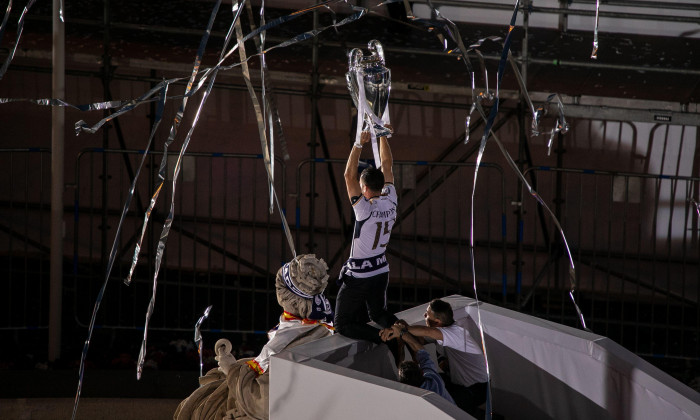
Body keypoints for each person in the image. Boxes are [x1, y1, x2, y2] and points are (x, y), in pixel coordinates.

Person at [175, 254, 334, 420]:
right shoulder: (318, 327)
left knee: (201, 407)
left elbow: (264, 405)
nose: (277, 292)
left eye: (279, 288)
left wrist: (232, 370)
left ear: (290, 300)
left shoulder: (294, 337)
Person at [334, 127, 398, 345]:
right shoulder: (391, 200)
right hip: (381, 270)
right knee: (378, 313)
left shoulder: (365, 209)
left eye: (361, 187)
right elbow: (387, 164)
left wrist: (359, 143)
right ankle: (401, 332)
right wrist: (381, 135)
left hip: (361, 275)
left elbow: (347, 175)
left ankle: (382, 338)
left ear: (365, 188)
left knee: (342, 324)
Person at [380, 298, 488, 416]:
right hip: (458, 384)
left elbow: (427, 332)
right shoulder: (443, 332)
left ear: (437, 322)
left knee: (439, 403)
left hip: (477, 390)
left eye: (427, 315)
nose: (424, 315)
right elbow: (419, 340)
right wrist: (401, 328)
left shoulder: (456, 333)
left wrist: (402, 330)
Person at [391, 323, 456, 405]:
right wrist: (401, 333)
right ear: (422, 372)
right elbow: (420, 349)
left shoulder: (412, 402)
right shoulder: (433, 380)